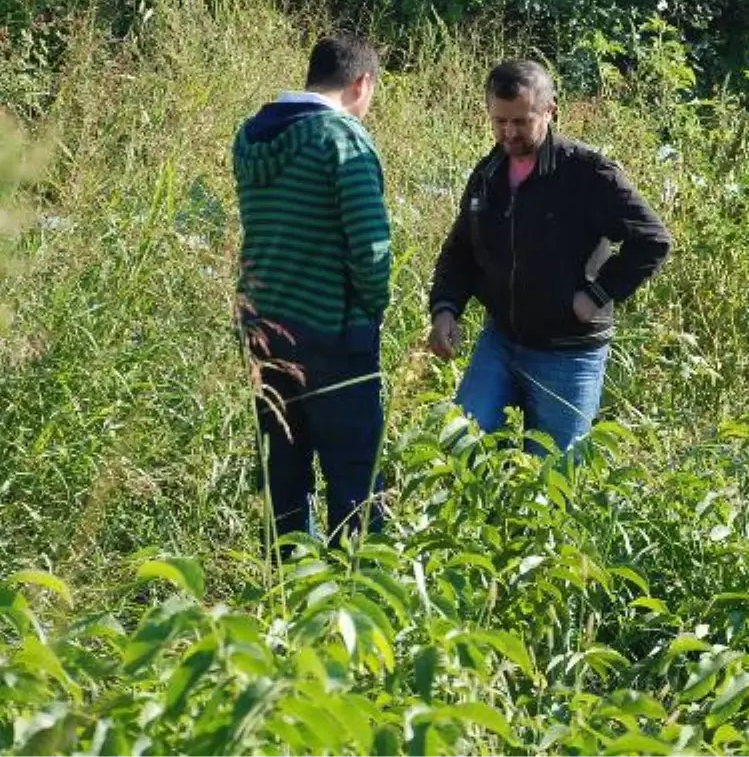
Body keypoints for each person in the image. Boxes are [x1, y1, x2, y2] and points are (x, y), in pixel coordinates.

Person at [427, 59, 671, 452]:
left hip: (568, 355)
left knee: (552, 479)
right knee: (459, 451)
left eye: (521, 122)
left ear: (550, 111)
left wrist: (594, 296)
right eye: (499, 122)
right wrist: (445, 309)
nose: (509, 133)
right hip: (500, 341)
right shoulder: (488, 174)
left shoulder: (588, 174)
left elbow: (653, 240)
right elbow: (461, 252)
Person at [233, 33, 392, 547]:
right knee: (355, 479)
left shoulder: (250, 135)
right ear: (362, 82)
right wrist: (372, 310)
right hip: (332, 331)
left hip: (261, 325)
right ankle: (357, 599)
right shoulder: (341, 138)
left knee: (283, 473)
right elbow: (370, 248)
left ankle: (287, 595)